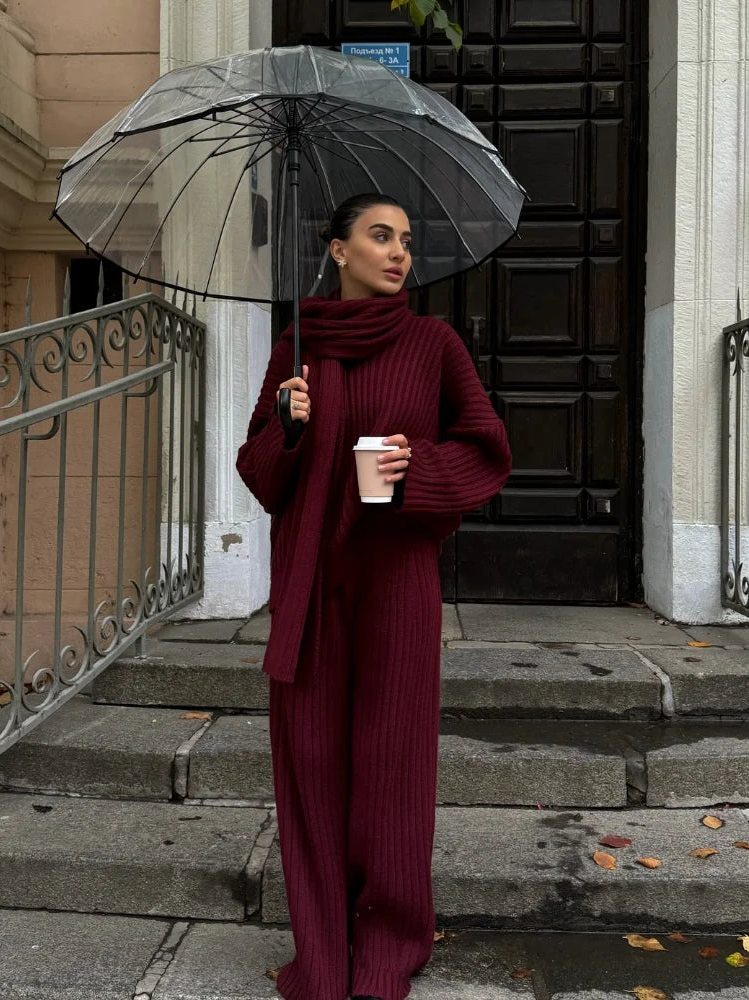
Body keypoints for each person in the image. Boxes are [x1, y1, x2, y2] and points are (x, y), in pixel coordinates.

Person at [236, 193, 512, 1000]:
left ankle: (389, 945)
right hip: (314, 584)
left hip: (395, 581)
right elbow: (260, 477)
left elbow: (487, 448)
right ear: (338, 250)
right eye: (380, 237)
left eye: (405, 241)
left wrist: (413, 466)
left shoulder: (433, 344)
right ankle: (322, 957)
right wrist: (286, 427)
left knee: (390, 770)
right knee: (312, 767)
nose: (398, 254)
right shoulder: (298, 344)